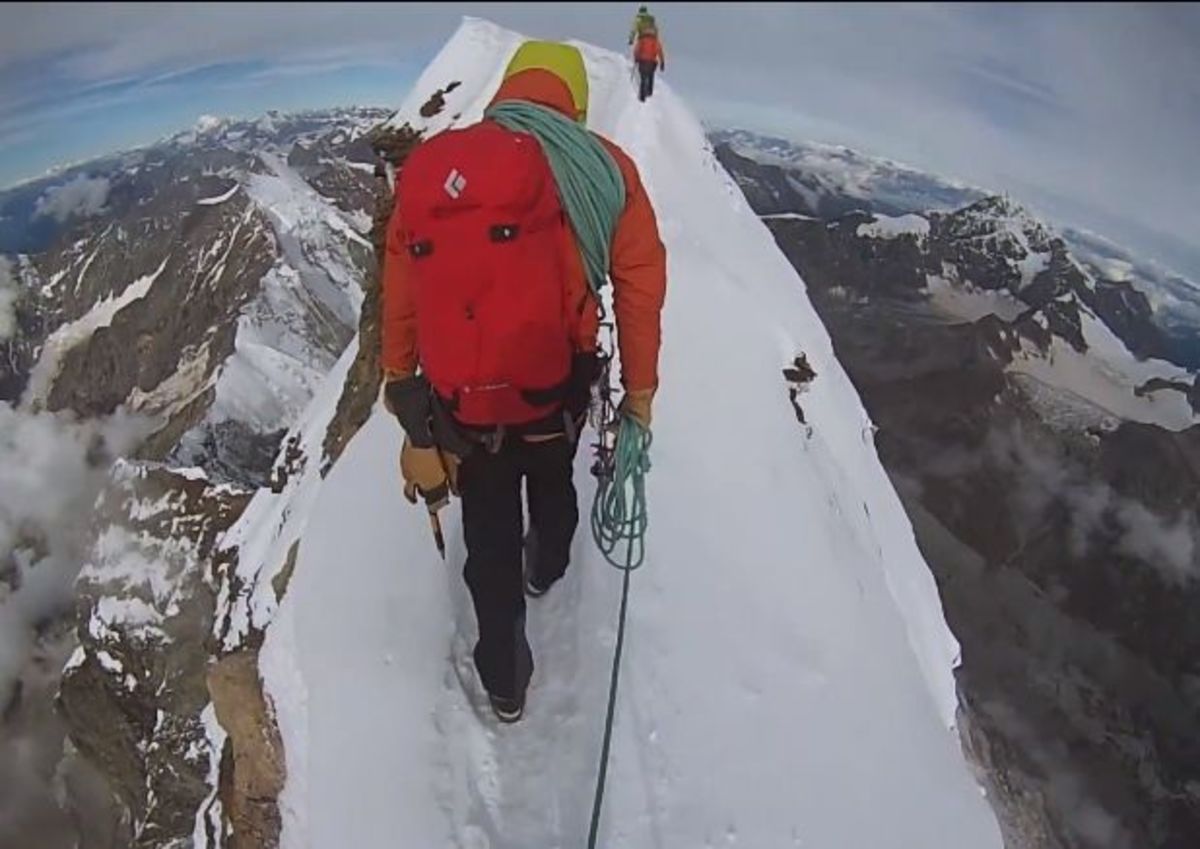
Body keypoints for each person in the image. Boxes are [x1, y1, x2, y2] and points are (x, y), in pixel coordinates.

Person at [380, 40, 667, 723]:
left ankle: (505, 676)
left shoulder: (443, 164)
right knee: (552, 482)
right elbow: (639, 288)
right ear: (574, 99)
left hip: (464, 404)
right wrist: (642, 392)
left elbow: (402, 282)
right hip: (553, 390)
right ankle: (549, 566)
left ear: (506, 88)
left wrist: (400, 380)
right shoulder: (606, 168)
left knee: (488, 532)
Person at [629, 7, 665, 102]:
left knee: (643, 75)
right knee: (651, 74)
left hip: (642, 59)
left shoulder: (639, 23)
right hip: (652, 61)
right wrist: (662, 62)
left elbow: (637, 49)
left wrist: (636, 57)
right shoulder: (654, 36)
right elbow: (659, 50)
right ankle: (649, 91)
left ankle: (642, 96)